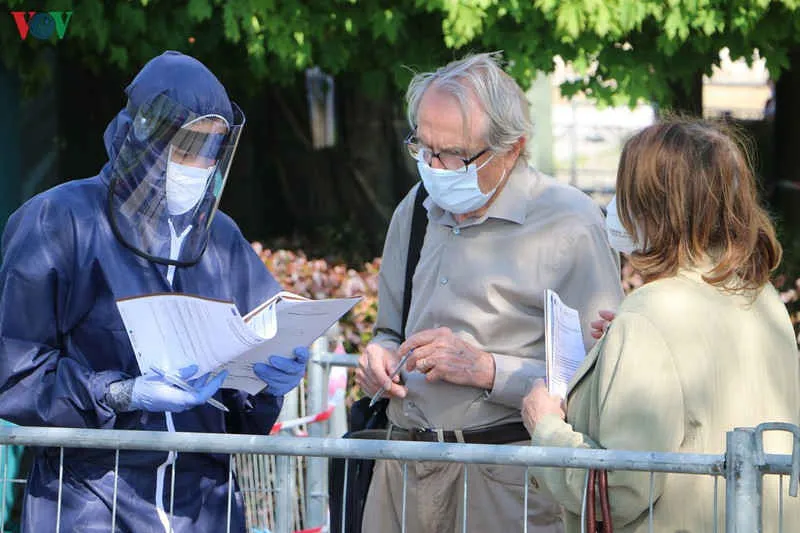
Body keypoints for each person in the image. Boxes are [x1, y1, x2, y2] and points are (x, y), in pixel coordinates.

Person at [0, 51, 309, 533]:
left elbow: (244, 386)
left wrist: (272, 380)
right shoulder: (59, 221)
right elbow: (16, 373)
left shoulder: (221, 238)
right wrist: (122, 394)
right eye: (189, 147)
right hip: (89, 501)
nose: (202, 165)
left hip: (204, 506)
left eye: (213, 149)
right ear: (145, 136)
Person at [355, 52, 624, 533]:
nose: (434, 167)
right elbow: (388, 331)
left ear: (512, 148)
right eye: (422, 147)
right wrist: (378, 358)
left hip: (505, 481)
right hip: (403, 469)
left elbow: (600, 379)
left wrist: (487, 370)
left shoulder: (570, 223)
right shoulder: (414, 208)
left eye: (453, 154)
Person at [522, 118, 800, 533]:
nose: (616, 207)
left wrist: (546, 428)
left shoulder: (649, 314)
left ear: (656, 209)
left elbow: (620, 488)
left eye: (627, 194)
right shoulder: (761, 297)